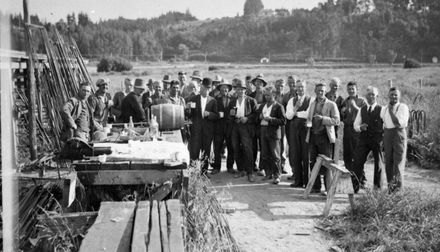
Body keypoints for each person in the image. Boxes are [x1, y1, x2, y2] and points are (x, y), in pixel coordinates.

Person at [306, 83, 340, 194]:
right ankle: (316, 187)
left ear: (325, 92)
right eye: (318, 90)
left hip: (325, 137)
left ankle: (328, 188)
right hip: (313, 136)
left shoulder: (331, 104)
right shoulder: (312, 104)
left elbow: (336, 121)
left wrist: (323, 119)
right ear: (315, 91)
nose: (320, 92)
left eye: (322, 91)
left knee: (327, 163)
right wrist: (308, 122)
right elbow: (309, 118)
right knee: (313, 162)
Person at [352, 86, 384, 193]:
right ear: (366, 96)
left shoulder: (382, 109)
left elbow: (386, 125)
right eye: (369, 94)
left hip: (377, 140)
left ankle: (377, 189)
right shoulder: (362, 110)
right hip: (364, 139)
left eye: (373, 95)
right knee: (357, 161)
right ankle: (355, 187)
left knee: (378, 164)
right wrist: (361, 128)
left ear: (377, 96)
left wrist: (381, 135)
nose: (371, 97)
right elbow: (355, 125)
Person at [187, 78, 218, 176]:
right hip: (196, 131)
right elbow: (189, 114)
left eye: (209, 88)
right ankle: (193, 172)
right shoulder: (193, 99)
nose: (207, 90)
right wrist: (187, 110)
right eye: (205, 88)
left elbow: (216, 116)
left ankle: (204, 172)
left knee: (206, 153)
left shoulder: (213, 101)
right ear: (201, 87)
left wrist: (209, 114)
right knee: (194, 152)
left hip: (207, 132)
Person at [380, 87, 409, 192]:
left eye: (396, 95)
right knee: (388, 163)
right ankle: (390, 189)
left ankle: (398, 191)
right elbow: (383, 122)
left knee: (398, 163)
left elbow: (398, 123)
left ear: (399, 96)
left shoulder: (402, 107)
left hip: (398, 134)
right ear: (388, 96)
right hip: (388, 134)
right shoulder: (384, 108)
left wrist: (391, 110)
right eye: (392, 94)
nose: (394, 97)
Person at [230, 79, 258, 182]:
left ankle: (250, 172)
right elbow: (230, 116)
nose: (240, 91)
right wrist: (232, 115)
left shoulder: (251, 100)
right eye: (238, 89)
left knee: (247, 148)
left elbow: (256, 114)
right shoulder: (233, 101)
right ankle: (241, 170)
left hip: (246, 127)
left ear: (245, 90)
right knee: (236, 148)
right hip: (235, 127)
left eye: (242, 89)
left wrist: (247, 118)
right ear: (235, 90)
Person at [258, 86, 286, 184]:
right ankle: (268, 173)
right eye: (265, 95)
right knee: (265, 154)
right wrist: (260, 117)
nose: (266, 97)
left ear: (274, 95)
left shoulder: (278, 106)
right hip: (263, 131)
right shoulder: (262, 106)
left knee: (275, 155)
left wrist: (271, 119)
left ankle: (277, 175)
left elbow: (283, 121)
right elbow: (258, 118)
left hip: (273, 133)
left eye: (268, 95)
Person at [286, 80, 311, 187]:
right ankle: (298, 180)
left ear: (305, 88)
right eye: (298, 87)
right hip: (294, 129)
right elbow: (288, 116)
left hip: (305, 129)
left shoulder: (311, 100)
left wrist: (296, 113)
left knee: (306, 155)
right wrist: (295, 107)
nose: (300, 89)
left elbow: (308, 114)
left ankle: (307, 181)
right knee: (295, 154)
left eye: (302, 87)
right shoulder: (292, 100)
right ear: (296, 88)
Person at [340, 81, 367, 177]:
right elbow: (342, 116)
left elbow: (365, 114)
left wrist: (355, 106)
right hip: (347, 129)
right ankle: (349, 176)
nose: (351, 91)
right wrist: (343, 112)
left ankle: (361, 178)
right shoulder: (345, 101)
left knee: (358, 154)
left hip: (357, 130)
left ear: (357, 90)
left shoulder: (362, 101)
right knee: (347, 154)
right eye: (349, 89)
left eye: (353, 89)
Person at [212, 79, 235, 175]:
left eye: (226, 88)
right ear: (219, 89)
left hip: (230, 127)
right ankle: (217, 167)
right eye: (222, 88)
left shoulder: (234, 99)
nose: (224, 90)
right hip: (218, 126)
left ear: (229, 89)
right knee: (217, 147)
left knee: (231, 147)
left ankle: (230, 167)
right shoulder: (215, 100)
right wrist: (218, 115)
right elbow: (213, 112)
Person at [249, 73, 267, 176]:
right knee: (253, 145)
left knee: (263, 145)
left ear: (263, 84)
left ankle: (262, 167)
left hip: (263, 124)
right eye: (257, 82)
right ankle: (253, 165)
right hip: (253, 124)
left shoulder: (266, 95)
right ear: (254, 83)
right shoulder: (250, 96)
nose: (258, 84)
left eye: (261, 82)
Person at [274, 79, 288, 174]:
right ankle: (274, 166)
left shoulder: (286, 96)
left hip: (282, 123)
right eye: (278, 85)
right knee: (274, 144)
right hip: (273, 122)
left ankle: (282, 165)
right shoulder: (273, 95)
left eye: (281, 86)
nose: (280, 87)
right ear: (275, 85)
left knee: (282, 143)